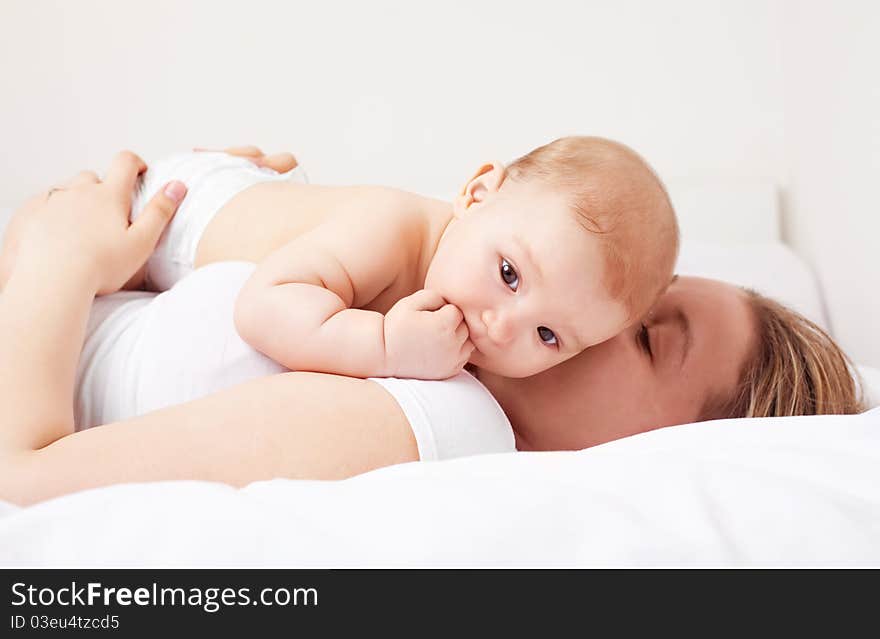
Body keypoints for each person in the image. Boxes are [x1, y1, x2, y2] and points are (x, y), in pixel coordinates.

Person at [0, 151, 864, 507]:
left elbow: (22, 476)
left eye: (644, 332)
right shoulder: (427, 328)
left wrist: (57, 262)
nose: (606, 309)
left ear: (672, 447)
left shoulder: (433, 418)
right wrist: (204, 217)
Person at [125, 136, 679, 381]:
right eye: (509, 274)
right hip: (184, 210)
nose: (502, 328)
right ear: (476, 194)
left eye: (549, 336)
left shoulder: (474, 294)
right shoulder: (388, 229)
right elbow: (261, 308)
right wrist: (386, 346)